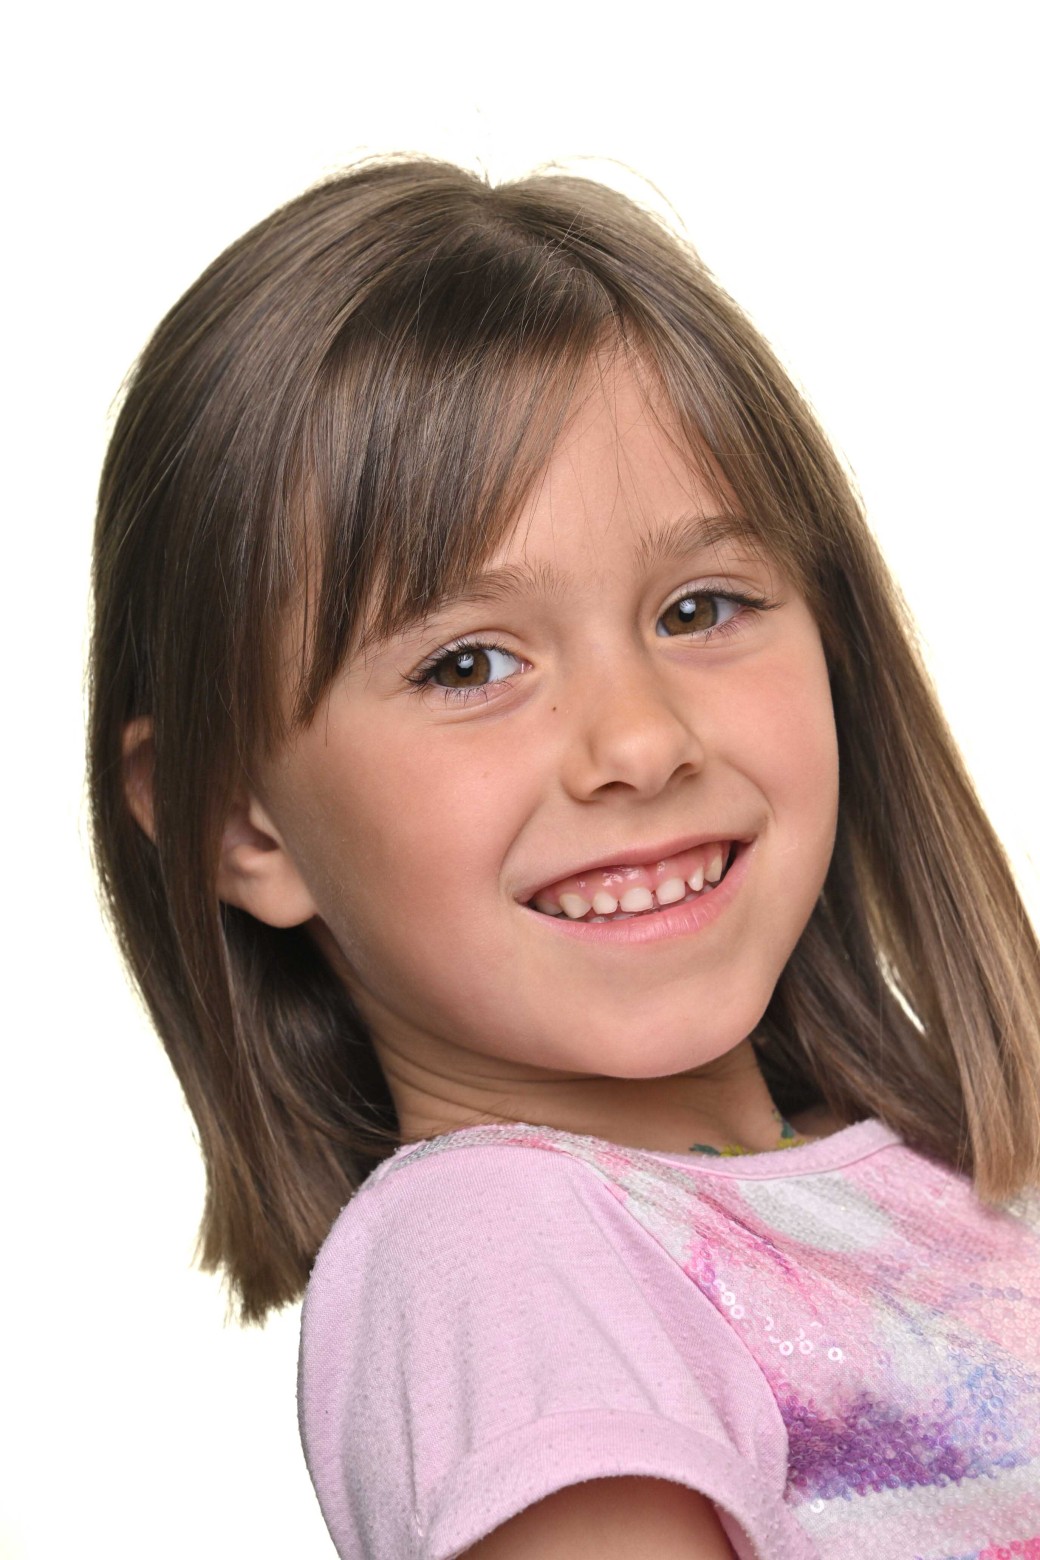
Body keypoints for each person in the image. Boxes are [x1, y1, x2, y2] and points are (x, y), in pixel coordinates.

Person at [87, 155, 1040, 1559]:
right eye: (470, 663)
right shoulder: (499, 1252)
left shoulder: (958, 1179)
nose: (639, 741)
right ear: (242, 820)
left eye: (699, 608)